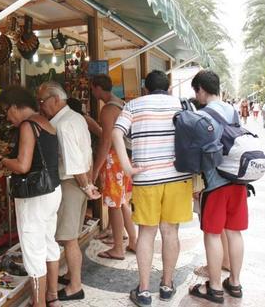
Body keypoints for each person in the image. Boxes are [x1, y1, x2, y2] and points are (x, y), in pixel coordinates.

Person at [112, 70, 192, 306]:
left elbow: (117, 133)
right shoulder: (182, 104)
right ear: (168, 87)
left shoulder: (133, 105)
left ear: (145, 87)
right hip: (178, 177)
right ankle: (167, 286)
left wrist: (127, 167)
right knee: (171, 232)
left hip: (146, 178)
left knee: (147, 233)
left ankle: (144, 291)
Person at [0, 86, 62, 307]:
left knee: (33, 251)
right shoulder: (45, 122)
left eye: (6, 111)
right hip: (52, 191)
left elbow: (22, 165)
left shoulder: (27, 126)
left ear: (16, 106)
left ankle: (38, 304)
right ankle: (52, 296)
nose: (7, 116)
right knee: (48, 243)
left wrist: (1, 160)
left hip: (34, 197)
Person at [188, 70, 247, 303]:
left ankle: (214, 287)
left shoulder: (202, 116)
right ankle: (235, 283)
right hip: (238, 180)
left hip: (215, 184)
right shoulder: (231, 110)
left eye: (196, 91)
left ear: (201, 90)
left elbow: (196, 153)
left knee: (212, 234)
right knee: (234, 232)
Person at [37, 81, 93, 302]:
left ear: (56, 100)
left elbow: (74, 162)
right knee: (73, 236)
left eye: (43, 101)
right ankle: (71, 274)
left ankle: (75, 287)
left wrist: (86, 185)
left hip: (71, 184)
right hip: (78, 183)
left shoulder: (63, 124)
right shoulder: (75, 118)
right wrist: (87, 183)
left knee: (68, 238)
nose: (41, 106)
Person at [90, 74, 137, 260]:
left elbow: (105, 142)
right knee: (122, 200)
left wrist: (94, 171)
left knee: (113, 204)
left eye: (92, 89)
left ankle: (118, 248)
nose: (92, 92)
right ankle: (132, 240)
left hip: (114, 160)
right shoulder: (120, 103)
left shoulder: (108, 110)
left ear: (98, 88)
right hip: (124, 158)